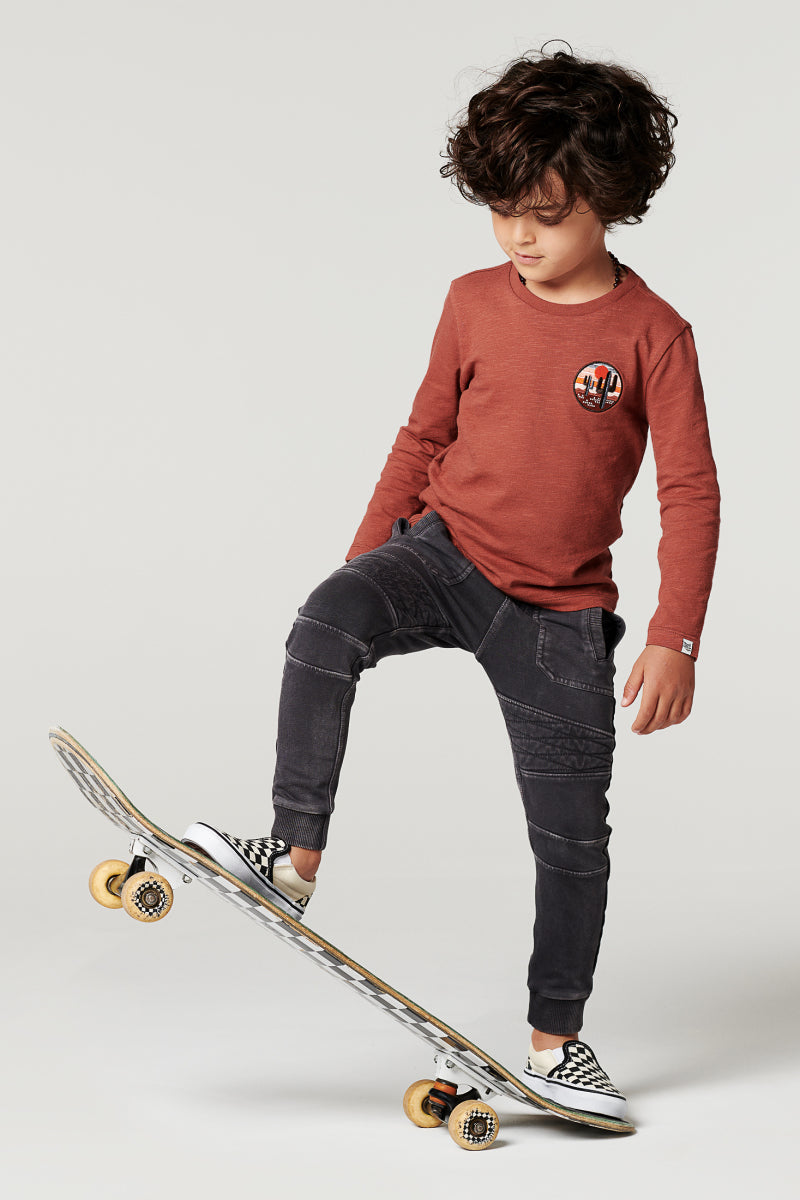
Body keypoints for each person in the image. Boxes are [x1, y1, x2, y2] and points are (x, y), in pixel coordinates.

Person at [182, 43, 721, 1122]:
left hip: (560, 612)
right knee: (325, 619)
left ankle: (556, 1043)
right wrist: (366, 560)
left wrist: (675, 635)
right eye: (502, 210)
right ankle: (290, 856)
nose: (518, 236)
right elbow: (422, 435)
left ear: (609, 198)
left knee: (572, 838)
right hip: (444, 551)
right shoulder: (472, 301)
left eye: (546, 215)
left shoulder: (652, 335)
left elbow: (690, 491)